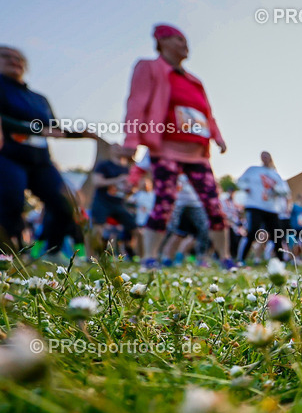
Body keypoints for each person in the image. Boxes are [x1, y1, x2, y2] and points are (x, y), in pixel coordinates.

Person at [123, 24, 232, 268]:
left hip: (197, 154)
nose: (185, 44)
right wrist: (131, 140)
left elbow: (207, 113)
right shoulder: (149, 68)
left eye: (186, 40)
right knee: (164, 202)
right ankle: (150, 257)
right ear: (162, 41)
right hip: (166, 149)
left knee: (214, 205)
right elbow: (136, 103)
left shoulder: (194, 81)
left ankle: (226, 258)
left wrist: (218, 136)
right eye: (179, 39)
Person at [0, 45, 91, 257]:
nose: (15, 61)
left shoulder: (39, 99)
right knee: (10, 201)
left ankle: (52, 251)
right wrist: (35, 129)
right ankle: (8, 255)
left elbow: (54, 129)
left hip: (41, 161)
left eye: (19, 58)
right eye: (7, 57)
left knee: (66, 204)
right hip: (8, 156)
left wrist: (81, 134)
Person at [235, 151, 290, 263]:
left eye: (267, 156)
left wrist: (276, 190)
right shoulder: (253, 170)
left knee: (277, 234)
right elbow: (240, 181)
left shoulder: (275, 175)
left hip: (271, 208)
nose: (265, 158)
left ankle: (280, 261)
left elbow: (286, 191)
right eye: (263, 156)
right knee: (252, 232)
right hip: (255, 205)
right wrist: (245, 187)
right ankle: (241, 259)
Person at [88, 143, 139, 256]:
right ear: (110, 150)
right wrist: (117, 180)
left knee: (136, 230)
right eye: (115, 147)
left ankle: (139, 256)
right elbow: (97, 182)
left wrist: (130, 189)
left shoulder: (127, 168)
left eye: (119, 147)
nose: (118, 149)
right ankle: (92, 257)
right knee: (97, 229)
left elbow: (131, 188)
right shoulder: (104, 165)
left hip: (119, 203)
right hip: (102, 201)